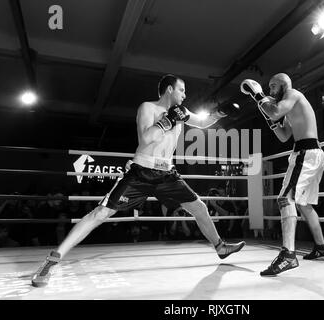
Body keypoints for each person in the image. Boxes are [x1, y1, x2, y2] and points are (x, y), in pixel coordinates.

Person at [31, 74, 245, 287]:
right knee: (101, 213)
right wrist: (167, 121)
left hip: (167, 174)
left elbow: (202, 121)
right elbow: (145, 140)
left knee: (199, 207)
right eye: (182, 90)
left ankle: (220, 247)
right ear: (169, 89)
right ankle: (52, 260)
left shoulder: (183, 112)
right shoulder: (148, 108)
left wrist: (221, 112)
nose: (185, 94)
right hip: (141, 171)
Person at [240, 73, 324, 276]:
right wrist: (268, 115)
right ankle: (321, 246)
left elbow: (274, 111)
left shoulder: (292, 93)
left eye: (273, 86)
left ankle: (288, 255)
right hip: (310, 153)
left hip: (306, 153)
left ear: (283, 84)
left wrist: (259, 96)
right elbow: (282, 136)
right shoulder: (291, 107)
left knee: (285, 198)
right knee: (303, 204)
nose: (271, 91)